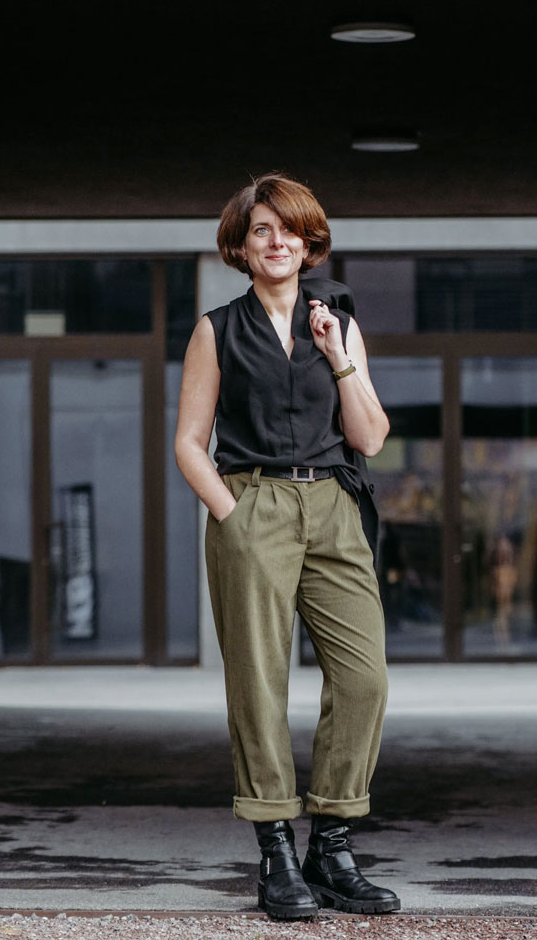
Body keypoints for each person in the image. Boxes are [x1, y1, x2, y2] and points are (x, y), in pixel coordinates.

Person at [175, 172, 400, 920]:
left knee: (364, 675)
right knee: (260, 682)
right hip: (255, 501)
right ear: (240, 244)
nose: (278, 242)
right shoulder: (216, 328)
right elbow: (188, 441)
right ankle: (274, 848)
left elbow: (369, 435)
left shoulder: (337, 318)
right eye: (262, 230)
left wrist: (337, 353)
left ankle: (330, 843)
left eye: (291, 230)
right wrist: (232, 513)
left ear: (310, 242)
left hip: (335, 502)